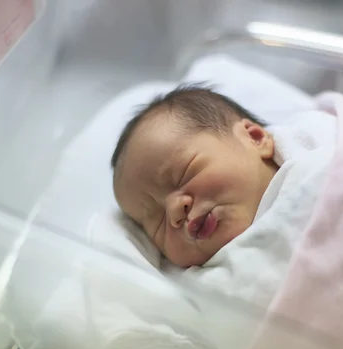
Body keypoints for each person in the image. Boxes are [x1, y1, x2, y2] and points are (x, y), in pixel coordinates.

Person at [111, 84, 280, 267]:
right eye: (158, 221)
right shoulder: (200, 283)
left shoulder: (310, 167)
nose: (175, 212)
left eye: (183, 175)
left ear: (254, 138)